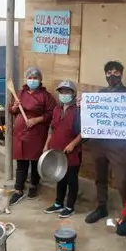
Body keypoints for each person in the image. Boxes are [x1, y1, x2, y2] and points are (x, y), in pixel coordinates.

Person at [84, 60, 126, 224]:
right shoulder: (100, 94)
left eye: (116, 72)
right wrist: (82, 106)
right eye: (109, 72)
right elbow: (91, 116)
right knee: (100, 177)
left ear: (121, 74)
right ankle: (101, 207)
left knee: (122, 180)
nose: (112, 75)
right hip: (99, 143)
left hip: (118, 145)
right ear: (105, 75)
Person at [9, 66, 56, 205]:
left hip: (37, 133)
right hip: (20, 133)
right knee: (21, 161)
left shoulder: (45, 96)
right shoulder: (20, 93)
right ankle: (18, 189)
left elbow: (51, 113)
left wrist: (37, 119)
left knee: (35, 161)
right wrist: (15, 108)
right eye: (30, 77)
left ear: (40, 80)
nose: (32, 80)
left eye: (35, 78)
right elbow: (11, 109)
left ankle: (34, 185)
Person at [42, 80, 83, 218]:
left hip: (71, 151)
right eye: (62, 92)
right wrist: (46, 145)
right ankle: (58, 203)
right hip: (56, 150)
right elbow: (52, 128)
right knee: (59, 177)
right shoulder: (57, 109)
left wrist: (73, 144)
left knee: (71, 179)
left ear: (73, 93)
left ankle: (70, 206)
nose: (64, 94)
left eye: (68, 92)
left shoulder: (78, 110)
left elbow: (85, 131)